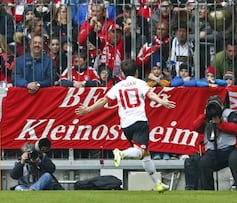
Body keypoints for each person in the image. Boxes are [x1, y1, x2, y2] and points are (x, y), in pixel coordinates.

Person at [75, 59, 176, 192]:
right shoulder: (140, 83)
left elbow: (103, 100)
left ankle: (158, 183)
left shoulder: (118, 86)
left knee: (145, 154)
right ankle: (120, 153)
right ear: (136, 71)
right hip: (139, 121)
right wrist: (162, 101)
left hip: (125, 125)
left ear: (122, 73)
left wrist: (88, 109)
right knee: (140, 151)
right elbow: (150, 94)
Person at [192, 95, 237, 190]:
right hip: (213, 151)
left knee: (235, 159)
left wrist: (220, 123)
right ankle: (208, 192)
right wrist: (205, 115)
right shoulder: (206, 117)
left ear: (221, 106)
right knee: (203, 163)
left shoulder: (230, 114)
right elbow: (195, 127)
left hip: (231, 149)